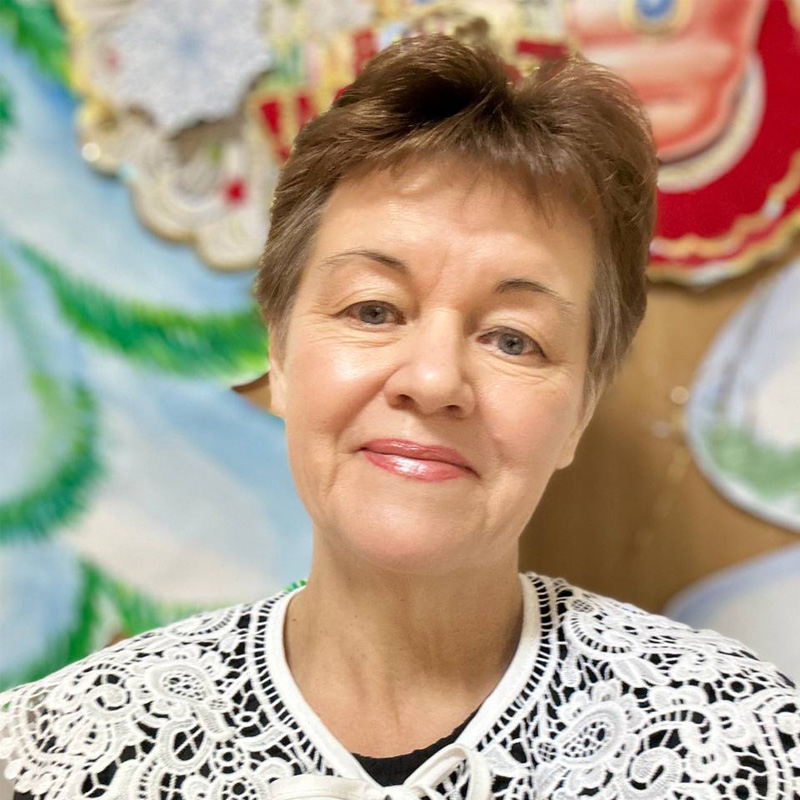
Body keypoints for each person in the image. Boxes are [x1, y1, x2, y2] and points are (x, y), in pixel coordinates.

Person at [2, 34, 799, 800]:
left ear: (581, 407)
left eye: (513, 339)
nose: (433, 379)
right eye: (374, 310)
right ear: (280, 357)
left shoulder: (744, 748)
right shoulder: (57, 756)